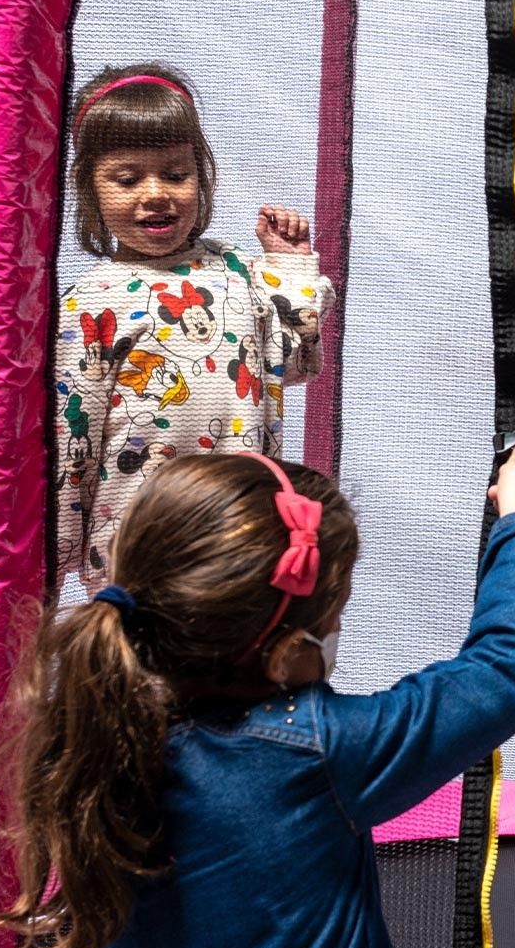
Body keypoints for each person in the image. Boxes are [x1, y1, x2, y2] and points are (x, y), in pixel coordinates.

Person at [0, 442, 515, 948]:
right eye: (336, 613)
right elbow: (505, 670)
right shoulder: (313, 753)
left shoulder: (101, 739)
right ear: (283, 650)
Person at [53, 64, 334, 591]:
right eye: (127, 179)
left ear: (202, 177)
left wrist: (291, 266)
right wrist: (53, 557)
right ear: (90, 188)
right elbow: (73, 440)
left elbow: (293, 360)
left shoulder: (236, 271)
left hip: (242, 527)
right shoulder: (90, 303)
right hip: (138, 543)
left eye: (176, 175)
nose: (156, 193)